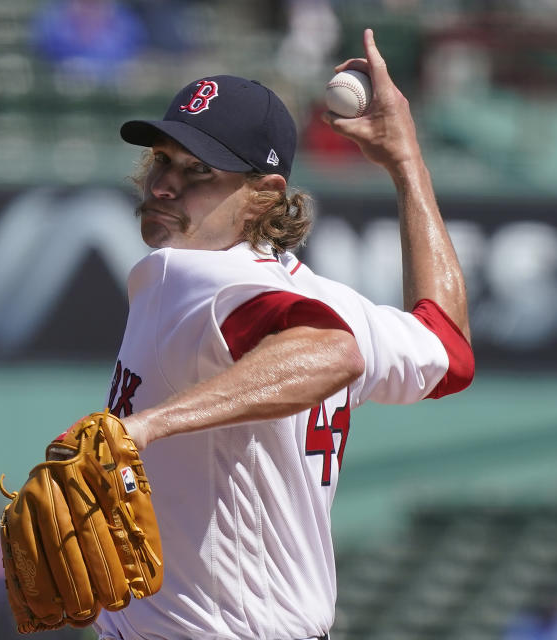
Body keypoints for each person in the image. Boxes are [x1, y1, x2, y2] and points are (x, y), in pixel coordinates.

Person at [82, 28, 475, 640]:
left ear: (264, 195)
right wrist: (407, 164)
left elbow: (327, 350)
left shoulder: (188, 274)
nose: (164, 185)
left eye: (198, 171)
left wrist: (148, 425)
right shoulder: (331, 299)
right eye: (162, 159)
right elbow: (448, 350)